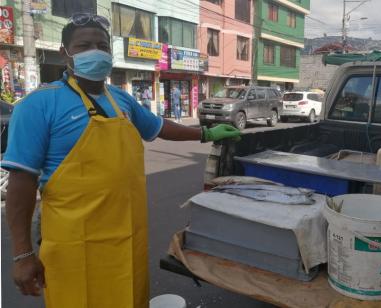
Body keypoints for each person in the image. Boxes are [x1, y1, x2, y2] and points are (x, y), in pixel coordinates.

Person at [1, 13, 240, 308]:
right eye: (83, 45)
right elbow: (21, 183)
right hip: (74, 246)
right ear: (65, 53)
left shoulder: (121, 99)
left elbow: (158, 126)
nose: (95, 51)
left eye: (101, 45)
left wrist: (205, 132)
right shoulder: (38, 105)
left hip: (128, 241)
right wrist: (23, 254)